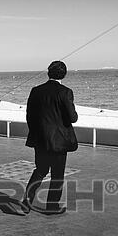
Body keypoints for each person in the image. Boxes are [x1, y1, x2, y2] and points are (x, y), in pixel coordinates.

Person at [21, 61, 78, 215]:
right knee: (57, 175)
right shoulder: (65, 92)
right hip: (59, 142)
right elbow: (73, 118)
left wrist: (36, 132)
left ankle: (26, 203)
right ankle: (52, 206)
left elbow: (29, 116)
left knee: (40, 170)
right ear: (64, 74)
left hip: (40, 140)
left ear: (48, 73)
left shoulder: (36, 91)